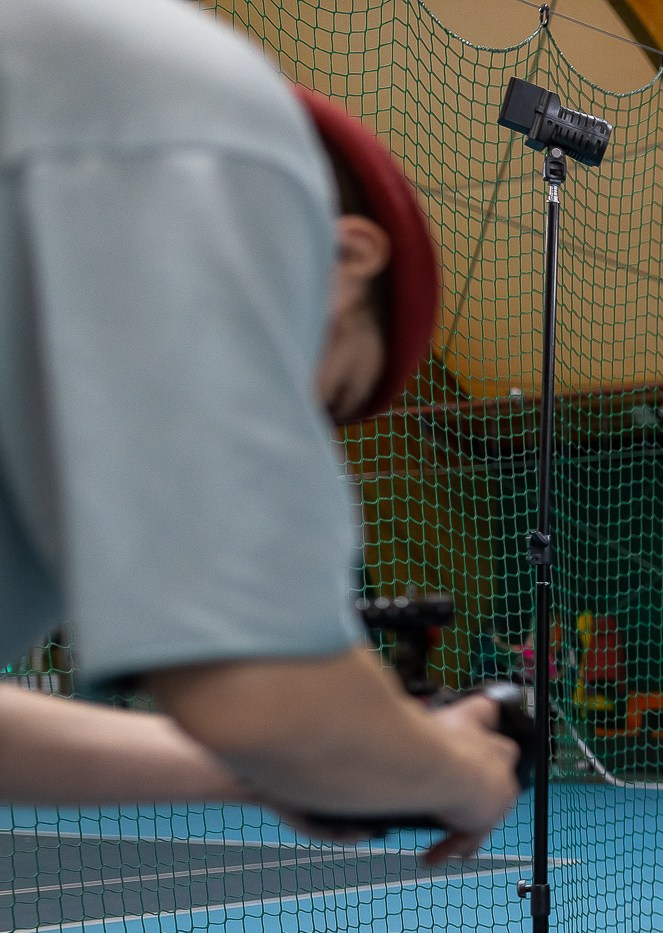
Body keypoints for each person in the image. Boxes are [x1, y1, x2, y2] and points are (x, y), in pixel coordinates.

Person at [0, 0, 518, 860]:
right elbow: (264, 695)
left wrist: (281, 763)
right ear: (347, 257)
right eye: (325, 393)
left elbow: (267, 724)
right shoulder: (210, 117)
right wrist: (466, 773)